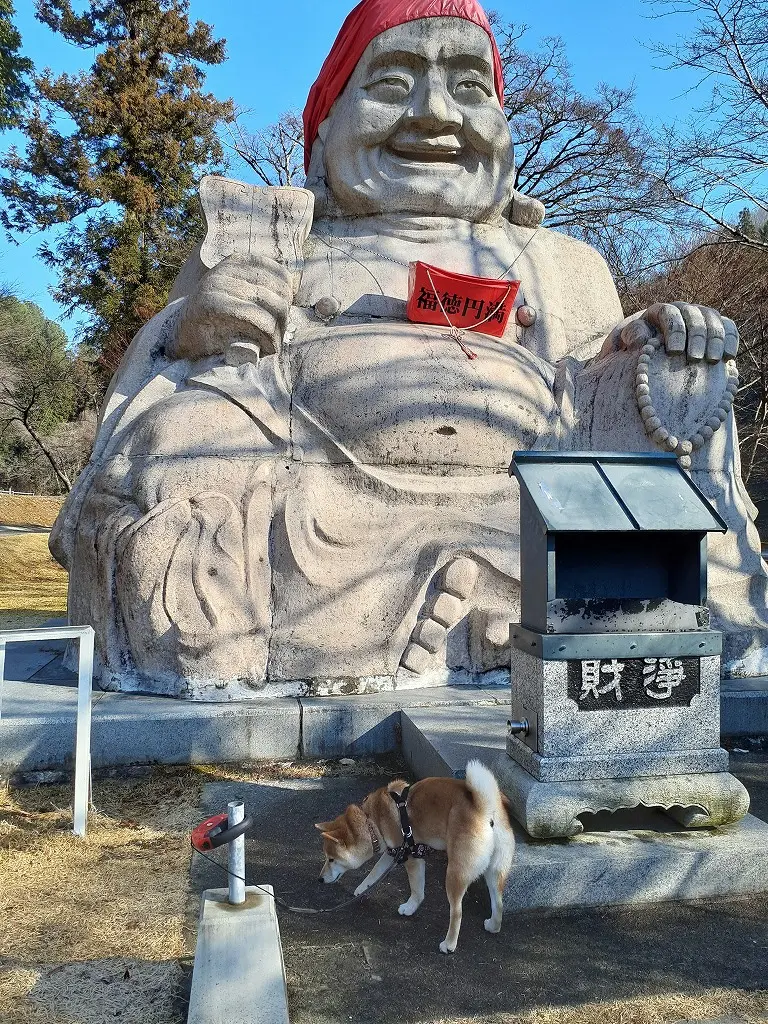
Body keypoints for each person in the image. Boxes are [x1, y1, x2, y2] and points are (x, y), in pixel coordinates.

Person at [52, 0, 767, 698]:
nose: (435, 113)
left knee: (676, 383)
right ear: (328, 124)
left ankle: (629, 610)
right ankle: (443, 607)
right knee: (182, 448)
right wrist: (193, 328)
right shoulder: (280, 245)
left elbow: (590, 389)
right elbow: (156, 382)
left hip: (522, 489)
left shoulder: (559, 262)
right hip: (315, 494)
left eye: (469, 86)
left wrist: (651, 345)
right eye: (393, 84)